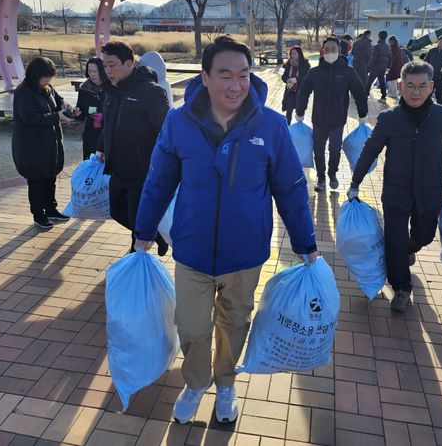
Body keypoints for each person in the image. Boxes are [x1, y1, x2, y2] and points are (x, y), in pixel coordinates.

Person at [133, 36, 318, 425]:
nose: (236, 85)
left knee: (235, 322)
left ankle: (227, 383)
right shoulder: (178, 121)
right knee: (192, 325)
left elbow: (290, 187)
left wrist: (305, 241)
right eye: (225, 75)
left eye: (244, 75)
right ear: (205, 77)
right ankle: (196, 382)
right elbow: (158, 180)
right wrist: (144, 229)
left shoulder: (270, 125)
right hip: (192, 248)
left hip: (245, 251)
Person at [347, 61, 442, 313]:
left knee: (425, 235)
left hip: (429, 192)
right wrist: (355, 182)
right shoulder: (389, 119)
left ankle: (410, 248)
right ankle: (402, 287)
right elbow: (370, 150)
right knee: (394, 240)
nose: (415, 92)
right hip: (396, 192)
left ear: (430, 87)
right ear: (400, 86)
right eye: (410, 86)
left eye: (421, 86)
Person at [95, 41, 171, 254]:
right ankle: (154, 235)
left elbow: (166, 129)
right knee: (118, 211)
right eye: (105, 65)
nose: (107, 70)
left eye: (112, 65)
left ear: (129, 64)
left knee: (137, 213)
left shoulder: (150, 92)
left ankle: (135, 255)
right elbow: (108, 123)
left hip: (142, 167)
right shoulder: (111, 90)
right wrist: (102, 147)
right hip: (117, 165)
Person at [295, 37, 369, 192]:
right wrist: (300, 111)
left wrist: (363, 114)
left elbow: (359, 92)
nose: (329, 52)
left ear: (339, 51)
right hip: (319, 120)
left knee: (335, 150)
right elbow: (304, 92)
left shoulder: (348, 71)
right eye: (326, 49)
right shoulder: (315, 72)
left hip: (338, 120)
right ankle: (321, 177)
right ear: (322, 52)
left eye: (333, 49)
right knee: (318, 150)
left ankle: (332, 173)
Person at [12, 57, 73, 230]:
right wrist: (56, 117)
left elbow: (58, 100)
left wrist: (65, 105)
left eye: (50, 77)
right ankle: (39, 215)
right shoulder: (23, 92)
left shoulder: (47, 88)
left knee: (50, 177)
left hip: (50, 142)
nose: (48, 80)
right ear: (35, 74)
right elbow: (29, 118)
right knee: (37, 180)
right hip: (31, 145)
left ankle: (51, 209)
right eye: (45, 76)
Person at [73, 57, 108, 160]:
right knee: (90, 160)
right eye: (89, 71)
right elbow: (81, 111)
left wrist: (103, 116)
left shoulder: (110, 87)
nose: (92, 74)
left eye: (94, 71)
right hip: (90, 131)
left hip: (106, 130)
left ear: (102, 71)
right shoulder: (85, 88)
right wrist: (78, 113)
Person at [280, 46, 310, 124]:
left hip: (300, 92)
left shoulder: (305, 65)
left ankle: (299, 129)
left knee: (299, 112)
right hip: (290, 91)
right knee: (288, 112)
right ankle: (287, 128)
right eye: (291, 53)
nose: (292, 55)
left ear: (299, 54)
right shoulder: (288, 64)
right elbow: (283, 76)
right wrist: (287, 80)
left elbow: (306, 77)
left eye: (294, 53)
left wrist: (296, 80)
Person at [423, 35, 442, 104]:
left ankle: (439, 110)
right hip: (430, 77)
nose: (440, 43)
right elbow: (425, 62)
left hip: (441, 78)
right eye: (439, 42)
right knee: (427, 94)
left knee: (439, 96)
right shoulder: (432, 51)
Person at [366, 30, 391, 100]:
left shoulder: (377, 46)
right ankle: (383, 94)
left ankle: (366, 93)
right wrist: (388, 66)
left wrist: (368, 67)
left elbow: (373, 58)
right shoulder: (388, 47)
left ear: (379, 37)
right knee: (382, 80)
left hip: (376, 66)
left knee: (369, 80)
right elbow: (390, 57)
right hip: (383, 66)